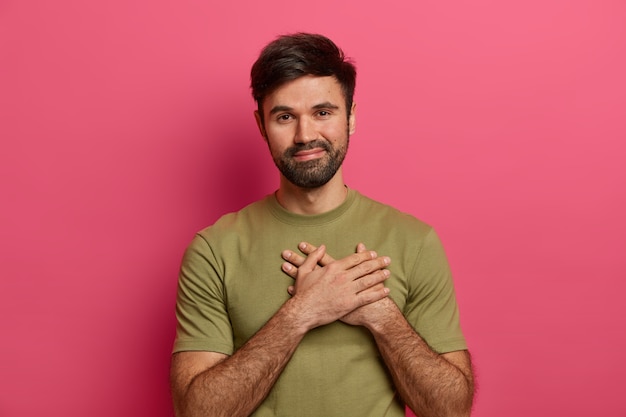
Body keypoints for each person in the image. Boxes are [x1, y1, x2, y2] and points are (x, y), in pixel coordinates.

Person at [170, 33, 474, 417]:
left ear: (351, 117)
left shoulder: (414, 240)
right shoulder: (215, 249)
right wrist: (302, 313)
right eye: (284, 117)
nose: (305, 135)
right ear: (261, 126)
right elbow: (197, 412)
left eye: (323, 112)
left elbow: (451, 410)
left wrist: (382, 316)